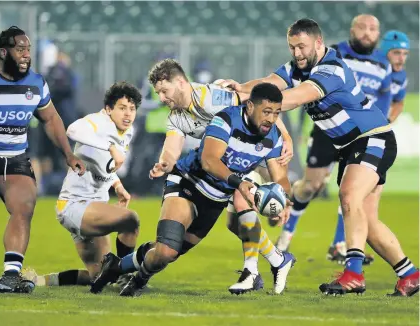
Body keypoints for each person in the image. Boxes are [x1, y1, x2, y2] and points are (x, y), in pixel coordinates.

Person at [217, 18, 418, 296]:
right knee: (367, 221)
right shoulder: (295, 67)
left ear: (318, 43)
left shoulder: (331, 69)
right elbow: (268, 83)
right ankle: (409, 274)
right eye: (292, 47)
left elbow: (294, 98)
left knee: (348, 197)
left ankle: (354, 275)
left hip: (373, 138)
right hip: (350, 145)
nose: (297, 53)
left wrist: (248, 102)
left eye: (302, 46)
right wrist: (240, 87)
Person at [91, 83, 295, 296]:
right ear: (251, 107)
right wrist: (239, 183)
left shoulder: (274, 138)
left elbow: (280, 177)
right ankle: (137, 283)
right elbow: (209, 161)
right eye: (267, 112)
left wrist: (282, 199)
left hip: (215, 200)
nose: (271, 119)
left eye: (276, 113)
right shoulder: (227, 120)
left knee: (171, 252)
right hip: (188, 182)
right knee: (166, 250)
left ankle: (116, 266)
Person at [145, 58, 294, 294]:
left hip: (240, 157)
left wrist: (284, 136)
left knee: (242, 197)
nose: (161, 98)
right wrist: (164, 163)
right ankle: (276, 260)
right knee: (236, 225)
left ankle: (252, 271)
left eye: (164, 91)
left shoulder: (212, 97)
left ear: (181, 82)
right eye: (158, 93)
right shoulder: (176, 116)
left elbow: (255, 101)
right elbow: (172, 148)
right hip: (218, 166)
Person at [0, 26, 85, 293]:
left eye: (28, 50)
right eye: (20, 49)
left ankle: (11, 275)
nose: (26, 55)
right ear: (3, 52)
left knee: (24, 207)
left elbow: (50, 118)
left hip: (15, 159)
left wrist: (68, 154)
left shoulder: (36, 83)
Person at [275, 15, 393, 264]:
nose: (367, 32)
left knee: (351, 191)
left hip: (360, 133)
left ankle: (342, 246)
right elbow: (302, 92)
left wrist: (384, 121)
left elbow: (390, 98)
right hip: (326, 130)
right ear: (352, 29)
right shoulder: (333, 53)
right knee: (311, 186)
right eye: (362, 27)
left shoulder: (384, 65)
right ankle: (287, 232)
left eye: (373, 28)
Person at [22, 82, 142, 287]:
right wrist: (110, 146)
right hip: (75, 206)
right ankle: (125, 275)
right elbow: (72, 130)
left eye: (132, 109)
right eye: (122, 108)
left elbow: (101, 162)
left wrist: (117, 184)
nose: (128, 114)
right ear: (108, 109)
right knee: (131, 220)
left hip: (89, 209)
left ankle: (41, 280)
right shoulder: (98, 121)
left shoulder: (127, 131)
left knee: (101, 276)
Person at [380, 30, 410, 123]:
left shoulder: (401, 77)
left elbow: (399, 103)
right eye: (396, 52)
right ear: (385, 52)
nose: (401, 59)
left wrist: (388, 121)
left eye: (405, 53)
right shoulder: (369, 69)